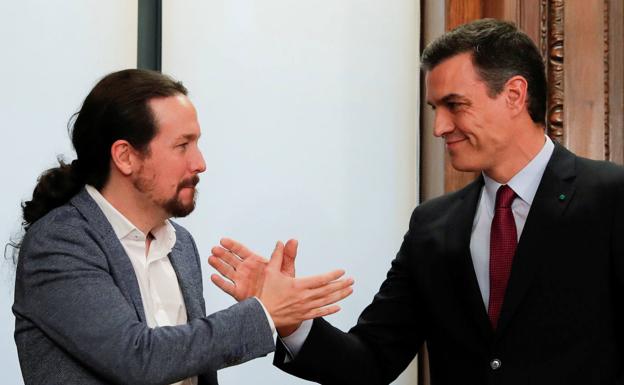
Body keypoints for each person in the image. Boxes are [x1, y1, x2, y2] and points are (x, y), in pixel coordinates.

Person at [210, 19, 624, 384]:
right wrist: (291, 320)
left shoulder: (611, 197)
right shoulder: (433, 225)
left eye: (454, 106)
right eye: (434, 109)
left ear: (514, 95)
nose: (440, 127)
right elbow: (370, 361)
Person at [12, 69, 353, 385]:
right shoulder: (60, 241)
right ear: (126, 157)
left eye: (197, 143)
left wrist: (267, 307)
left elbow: (186, 362)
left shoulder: (180, 244)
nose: (200, 163)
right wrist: (264, 313)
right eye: (182, 145)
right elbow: (137, 358)